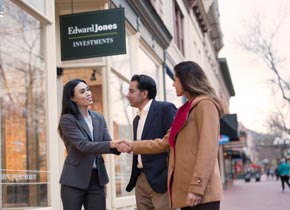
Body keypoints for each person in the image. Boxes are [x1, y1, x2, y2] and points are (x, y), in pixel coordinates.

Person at [123, 61, 224, 210]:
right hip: (186, 193)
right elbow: (164, 142)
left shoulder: (205, 105)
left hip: (201, 194)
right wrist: (132, 146)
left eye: (175, 80)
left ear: (186, 80)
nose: (173, 84)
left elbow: (208, 150)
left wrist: (197, 187)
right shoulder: (185, 110)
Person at [58, 79, 128, 210]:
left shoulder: (99, 118)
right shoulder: (67, 120)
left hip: (97, 179)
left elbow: (106, 142)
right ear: (72, 98)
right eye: (82, 92)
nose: (88, 93)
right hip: (74, 180)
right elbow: (84, 146)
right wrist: (113, 144)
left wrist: (122, 146)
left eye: (88, 89)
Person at [125, 74, 177, 210]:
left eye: (131, 91)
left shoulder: (165, 109)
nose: (127, 95)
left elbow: (175, 142)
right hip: (141, 180)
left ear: (144, 93)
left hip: (161, 180)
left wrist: (169, 176)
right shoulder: (136, 120)